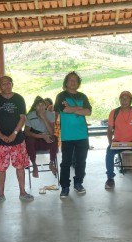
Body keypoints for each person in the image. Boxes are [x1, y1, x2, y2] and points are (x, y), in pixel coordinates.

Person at [0, 76, 33, 205]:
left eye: (9, 83)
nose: (7, 85)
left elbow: (23, 118)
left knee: (20, 166)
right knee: (1, 169)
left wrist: (14, 133)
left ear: (12, 84)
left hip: (17, 140)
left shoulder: (19, 98)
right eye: (3, 84)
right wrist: (1, 135)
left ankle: (23, 192)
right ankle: (1, 195)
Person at [54, 71, 92, 199]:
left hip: (82, 135)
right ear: (66, 82)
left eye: (75, 80)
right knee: (66, 162)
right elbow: (64, 109)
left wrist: (72, 107)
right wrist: (78, 109)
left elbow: (88, 112)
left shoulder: (83, 96)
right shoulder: (61, 96)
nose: (73, 82)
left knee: (81, 161)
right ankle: (65, 187)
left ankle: (78, 183)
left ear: (78, 83)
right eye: (70, 79)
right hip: (67, 136)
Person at [24, 96, 58, 177]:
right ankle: (34, 164)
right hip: (35, 141)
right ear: (35, 107)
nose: (41, 107)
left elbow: (52, 132)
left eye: (42, 105)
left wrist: (44, 118)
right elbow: (26, 132)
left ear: (46, 106)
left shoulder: (50, 115)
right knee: (29, 140)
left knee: (55, 138)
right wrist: (41, 136)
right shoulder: (30, 115)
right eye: (38, 105)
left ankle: (51, 162)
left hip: (47, 141)